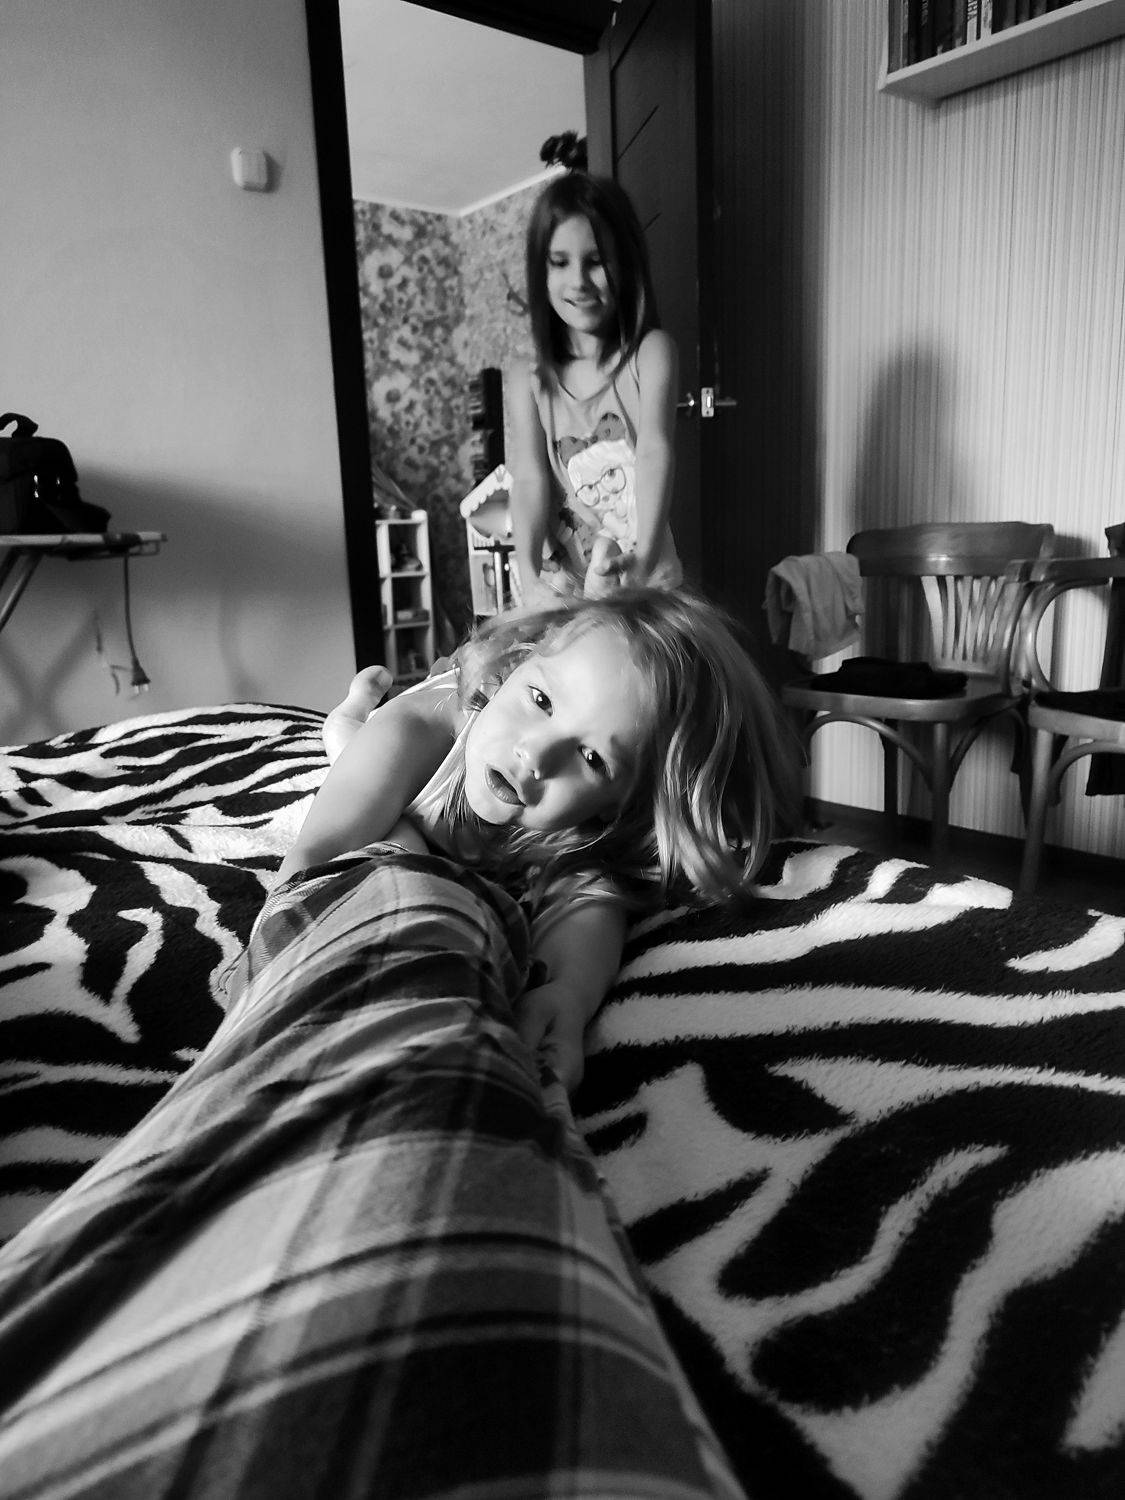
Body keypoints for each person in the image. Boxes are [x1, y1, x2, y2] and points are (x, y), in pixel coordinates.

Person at [288, 588, 799, 1092]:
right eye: (541, 700)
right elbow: (314, 857)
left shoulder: (581, 825)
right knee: (351, 750)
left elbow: (590, 908)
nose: (535, 754)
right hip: (416, 726)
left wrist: (567, 997)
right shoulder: (418, 731)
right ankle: (354, 706)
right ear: (516, 664)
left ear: (622, 803)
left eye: (592, 758)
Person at [506, 171, 682, 608]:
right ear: (540, 270)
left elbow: (654, 452)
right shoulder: (527, 378)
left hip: (644, 583)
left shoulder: (651, 354)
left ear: (625, 263)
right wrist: (527, 574)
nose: (579, 280)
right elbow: (528, 477)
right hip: (564, 590)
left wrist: (643, 561)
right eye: (559, 262)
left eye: (596, 260)